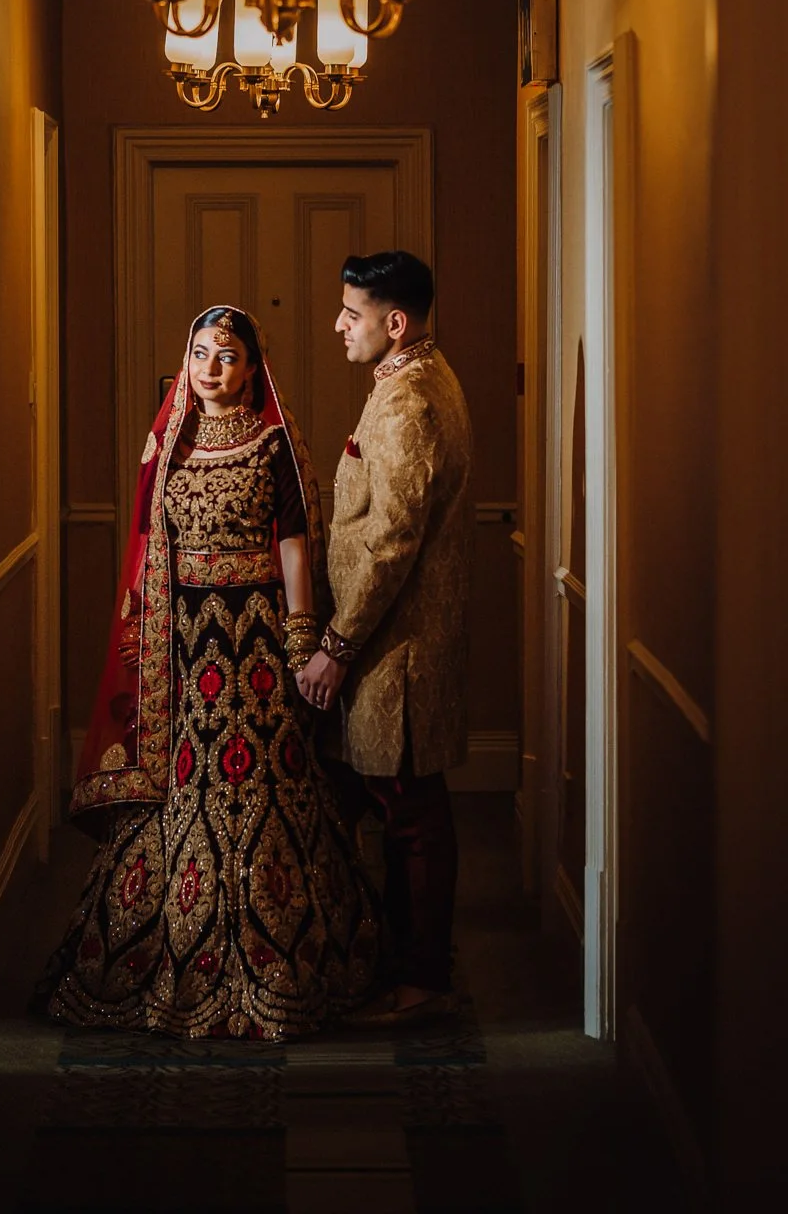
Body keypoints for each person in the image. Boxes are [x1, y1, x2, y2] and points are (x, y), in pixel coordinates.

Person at [34, 305, 378, 1039]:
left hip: (254, 639)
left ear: (253, 369)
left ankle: (277, 956)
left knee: (263, 778)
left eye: (226, 356)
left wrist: (299, 635)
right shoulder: (170, 443)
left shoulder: (273, 443)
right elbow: (146, 545)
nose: (210, 368)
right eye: (198, 354)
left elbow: (292, 543)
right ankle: (174, 954)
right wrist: (143, 630)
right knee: (185, 780)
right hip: (183, 644)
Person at [297, 251, 474, 1026]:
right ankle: (381, 956)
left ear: (392, 322)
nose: (338, 324)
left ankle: (424, 979)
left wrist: (335, 648)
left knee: (409, 815)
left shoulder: (409, 404)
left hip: (391, 650)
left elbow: (391, 543)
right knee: (374, 804)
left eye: (351, 312)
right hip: (392, 644)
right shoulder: (415, 380)